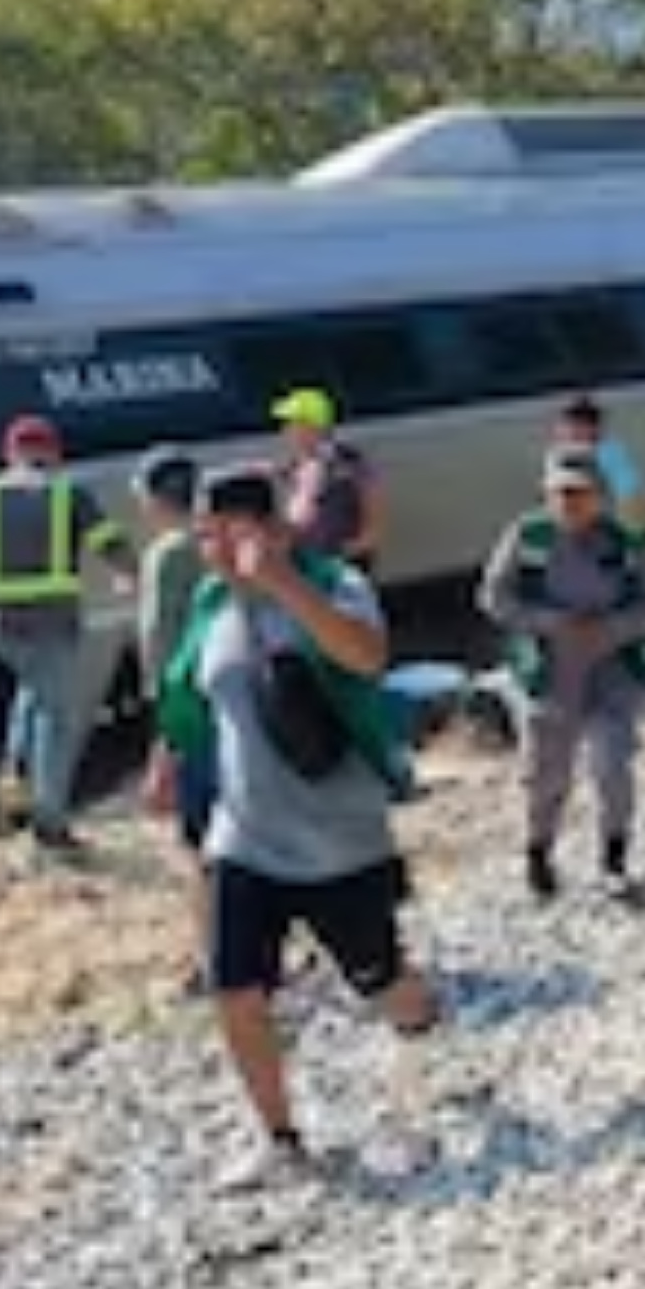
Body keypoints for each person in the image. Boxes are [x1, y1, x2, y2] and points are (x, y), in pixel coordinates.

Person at [153, 468, 436, 1174]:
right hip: (243, 836)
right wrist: (166, 754)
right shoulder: (210, 601)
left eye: (226, 534)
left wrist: (283, 585)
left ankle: (424, 1027)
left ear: (272, 529)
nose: (213, 551)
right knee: (235, 988)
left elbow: (367, 657)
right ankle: (281, 1140)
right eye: (203, 536)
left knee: (380, 981)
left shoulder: (333, 583)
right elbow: (195, 685)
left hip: (340, 836)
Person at [477, 446, 645, 902]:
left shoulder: (624, 541)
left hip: (612, 666)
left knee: (612, 765)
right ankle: (539, 855)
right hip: (550, 668)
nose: (570, 502)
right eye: (561, 493)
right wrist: (550, 622)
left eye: (580, 493)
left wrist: (615, 628)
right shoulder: (526, 537)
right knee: (546, 772)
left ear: (600, 495)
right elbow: (493, 598)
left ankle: (614, 860)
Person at [0, 413, 133, 851]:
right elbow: (110, 542)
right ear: (54, 452)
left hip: (3, 625)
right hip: (55, 622)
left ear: (9, 454)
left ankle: (11, 783)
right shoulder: (69, 492)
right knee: (58, 719)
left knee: (29, 699)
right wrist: (132, 574)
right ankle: (50, 820)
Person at [131, 450, 216, 979]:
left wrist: (163, 743)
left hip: (196, 715)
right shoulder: (226, 541)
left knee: (201, 843)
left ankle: (217, 957)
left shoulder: (168, 556)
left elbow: (165, 656)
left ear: (156, 499)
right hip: (243, 704)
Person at [273, 387, 385, 573]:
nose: (285, 430)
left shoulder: (347, 465)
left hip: (339, 564)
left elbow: (372, 518)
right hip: (308, 561)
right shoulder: (300, 462)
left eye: (292, 423)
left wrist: (346, 551)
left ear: (314, 426)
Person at [552, 395, 645, 532]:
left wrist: (629, 531)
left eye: (585, 424)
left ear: (596, 428)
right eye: (569, 423)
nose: (574, 430)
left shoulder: (612, 453)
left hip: (605, 525)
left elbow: (629, 498)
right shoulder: (556, 454)